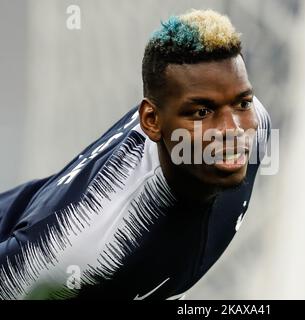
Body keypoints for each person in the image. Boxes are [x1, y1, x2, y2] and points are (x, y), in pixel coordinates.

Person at [0, 9, 271, 300]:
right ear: (152, 122)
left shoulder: (256, 126)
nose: (233, 129)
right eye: (203, 112)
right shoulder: (80, 249)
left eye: (242, 103)